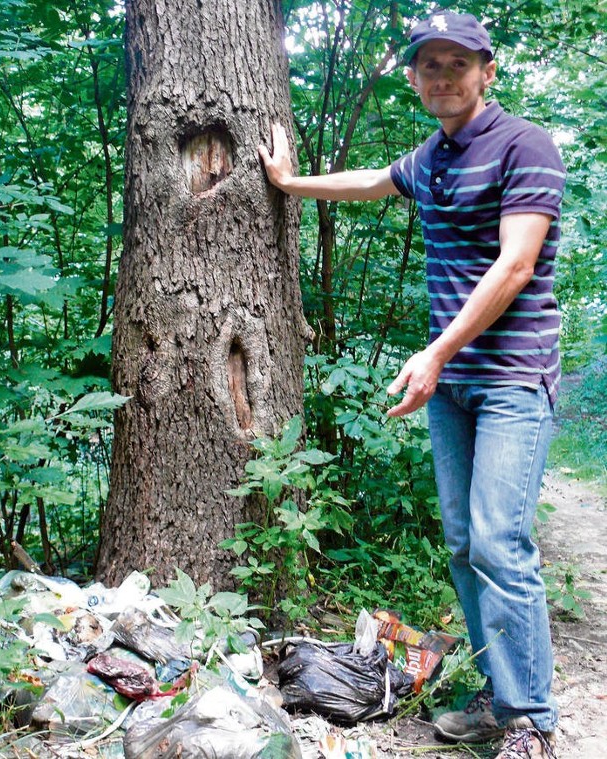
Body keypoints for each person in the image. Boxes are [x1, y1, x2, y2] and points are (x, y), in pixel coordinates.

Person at [259, 9, 565, 759]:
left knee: (499, 539)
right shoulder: (433, 154)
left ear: (487, 71)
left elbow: (515, 266)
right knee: (463, 544)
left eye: (458, 64)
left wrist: (433, 352)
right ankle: (498, 699)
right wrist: (290, 181)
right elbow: (374, 179)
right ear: (414, 77)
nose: (444, 77)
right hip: (453, 383)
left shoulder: (525, 144)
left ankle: (532, 722)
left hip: (513, 378)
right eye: (430, 65)